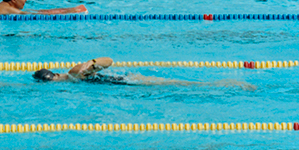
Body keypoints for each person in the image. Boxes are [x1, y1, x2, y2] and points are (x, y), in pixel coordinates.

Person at [32, 56, 253, 88]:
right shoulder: (71, 79)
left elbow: (108, 60)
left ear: (52, 77)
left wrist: (91, 64)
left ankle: (226, 83)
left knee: (174, 84)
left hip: (125, 81)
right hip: (120, 84)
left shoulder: (73, 74)